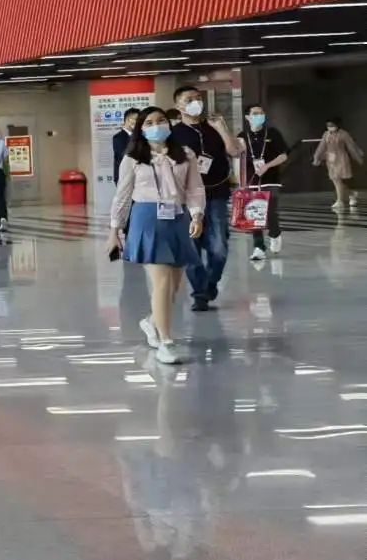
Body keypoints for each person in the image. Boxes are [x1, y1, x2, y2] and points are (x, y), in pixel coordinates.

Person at [111, 106, 205, 366]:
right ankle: (166, 341)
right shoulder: (133, 157)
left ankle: (152, 321)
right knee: (161, 282)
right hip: (146, 218)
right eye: (149, 122)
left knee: (173, 286)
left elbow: (195, 189)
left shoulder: (185, 154)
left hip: (177, 217)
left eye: (161, 120)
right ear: (141, 129)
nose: (156, 125)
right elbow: (122, 194)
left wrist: (197, 215)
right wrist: (114, 229)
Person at [169, 85, 239, 312]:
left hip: (216, 194)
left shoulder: (213, 127)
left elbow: (235, 151)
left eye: (198, 98)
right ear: (178, 105)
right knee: (192, 249)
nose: (195, 102)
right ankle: (200, 294)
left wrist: (222, 128)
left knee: (219, 248)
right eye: (189, 99)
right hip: (187, 198)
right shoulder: (173, 134)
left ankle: (210, 283)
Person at [241, 103, 288, 261]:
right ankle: (258, 247)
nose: (258, 116)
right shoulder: (242, 136)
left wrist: (267, 166)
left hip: (270, 180)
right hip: (252, 180)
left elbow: (283, 155)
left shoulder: (272, 133)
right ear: (247, 117)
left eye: (261, 113)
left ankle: (275, 233)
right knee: (254, 213)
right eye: (255, 113)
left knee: (269, 212)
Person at [315, 117, 363, 212]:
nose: (330, 127)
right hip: (330, 160)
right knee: (336, 180)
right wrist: (317, 157)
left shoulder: (344, 134)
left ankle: (340, 200)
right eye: (328, 125)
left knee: (338, 180)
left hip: (341, 159)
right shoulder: (326, 134)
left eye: (332, 125)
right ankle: (351, 194)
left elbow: (351, 147)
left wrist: (358, 157)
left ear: (337, 125)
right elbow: (321, 147)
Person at [112, 109, 143, 182]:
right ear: (128, 120)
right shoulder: (118, 137)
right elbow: (124, 155)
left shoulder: (140, 136)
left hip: (139, 177)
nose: (139, 123)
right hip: (125, 178)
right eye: (137, 120)